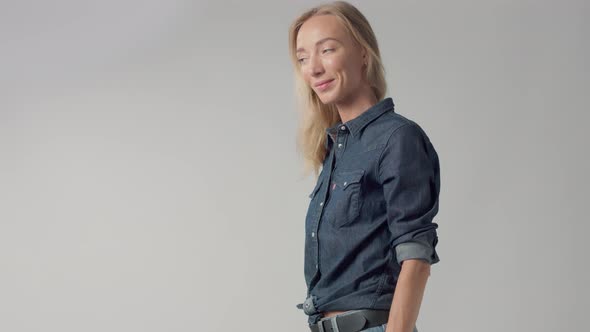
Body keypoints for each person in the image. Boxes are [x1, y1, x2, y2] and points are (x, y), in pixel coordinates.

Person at [288, 2, 441, 332]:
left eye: (327, 49)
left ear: (363, 53)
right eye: (303, 58)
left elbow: (416, 258)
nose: (313, 68)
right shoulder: (336, 149)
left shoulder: (398, 139)